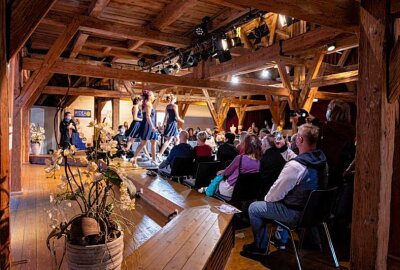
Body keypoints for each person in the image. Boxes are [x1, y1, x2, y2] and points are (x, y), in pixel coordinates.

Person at [241, 123, 328, 256]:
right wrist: (284, 148)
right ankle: (282, 237)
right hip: (316, 213)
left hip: (297, 214)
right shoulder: (322, 161)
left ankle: (260, 247)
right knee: (288, 199)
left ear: (299, 140)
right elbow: (298, 160)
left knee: (254, 208)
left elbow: (273, 196)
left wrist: (267, 200)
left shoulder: (295, 166)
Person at [201, 134, 261, 199]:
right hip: (246, 191)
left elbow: (227, 172)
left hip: (230, 190)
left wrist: (222, 171)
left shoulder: (240, 158)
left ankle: (206, 193)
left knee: (217, 178)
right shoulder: (259, 162)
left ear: (246, 145)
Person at [320, 99, 355, 187]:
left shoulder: (327, 129)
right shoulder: (351, 130)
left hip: (328, 170)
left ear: (333, 112)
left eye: (329, 108)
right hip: (343, 170)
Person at [131, 90, 159, 168]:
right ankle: (134, 160)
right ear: (149, 96)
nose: (154, 96)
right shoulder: (148, 104)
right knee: (143, 143)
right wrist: (152, 126)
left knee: (153, 142)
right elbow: (148, 116)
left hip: (148, 124)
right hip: (148, 125)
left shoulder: (145, 104)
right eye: (152, 95)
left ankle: (154, 160)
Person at [158, 94, 184, 159]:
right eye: (175, 98)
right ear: (173, 99)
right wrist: (182, 121)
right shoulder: (175, 106)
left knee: (177, 138)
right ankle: (160, 154)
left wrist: (163, 124)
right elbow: (177, 117)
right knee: (169, 140)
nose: (176, 99)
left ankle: (176, 154)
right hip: (173, 123)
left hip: (169, 123)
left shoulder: (167, 106)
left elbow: (165, 117)